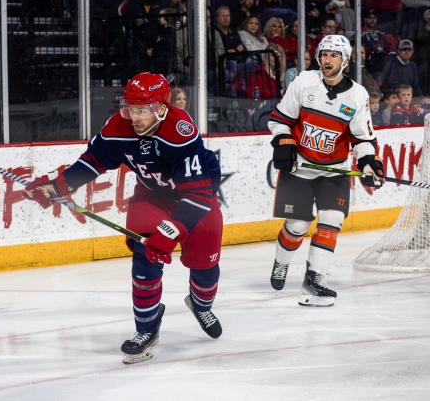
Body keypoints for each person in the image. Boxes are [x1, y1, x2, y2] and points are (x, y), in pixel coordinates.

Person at [23, 72, 223, 364]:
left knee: (205, 266)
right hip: (152, 197)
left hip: (196, 199)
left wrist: (170, 232)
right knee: (145, 254)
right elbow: (93, 161)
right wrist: (57, 185)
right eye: (130, 108)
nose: (134, 116)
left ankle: (200, 304)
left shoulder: (180, 132)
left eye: (142, 110)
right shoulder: (119, 126)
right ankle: (147, 329)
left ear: (161, 108)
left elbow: (199, 196)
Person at [267, 35, 383, 307]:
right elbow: (280, 120)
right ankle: (281, 262)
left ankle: (315, 277)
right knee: (298, 226)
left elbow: (362, 139)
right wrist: (284, 143)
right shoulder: (304, 82)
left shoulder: (357, 95)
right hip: (301, 168)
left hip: (335, 171)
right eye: (324, 54)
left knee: (332, 220)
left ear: (346, 60)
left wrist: (369, 162)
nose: (327, 59)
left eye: (334, 54)